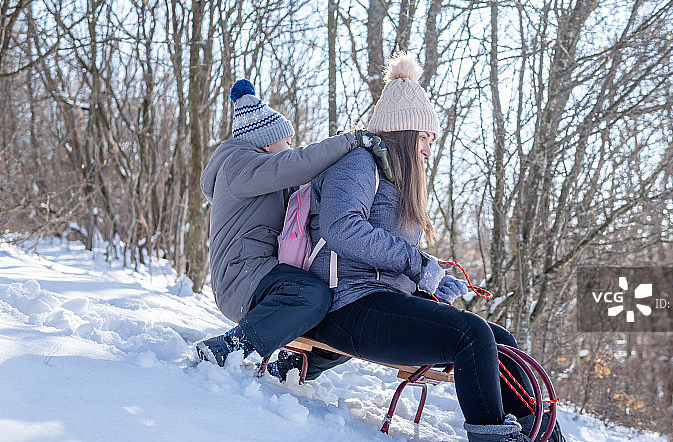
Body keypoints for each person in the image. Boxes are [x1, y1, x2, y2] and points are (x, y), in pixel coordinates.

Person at [297, 53, 565, 442]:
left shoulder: (393, 179)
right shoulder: (357, 164)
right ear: (405, 133)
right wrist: (418, 264)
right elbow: (342, 228)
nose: (427, 150)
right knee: (470, 334)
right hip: (346, 305)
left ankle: (544, 438)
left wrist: (431, 277)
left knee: (501, 341)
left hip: (380, 302)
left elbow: (389, 254)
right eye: (425, 138)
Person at [194, 79, 377, 370]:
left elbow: (302, 188)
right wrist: (349, 142)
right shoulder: (238, 164)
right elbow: (296, 164)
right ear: (267, 143)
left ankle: (293, 368)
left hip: (259, 271)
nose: (292, 146)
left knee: (346, 304)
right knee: (312, 295)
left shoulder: (261, 175)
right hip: (241, 276)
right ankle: (227, 348)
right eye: (288, 141)